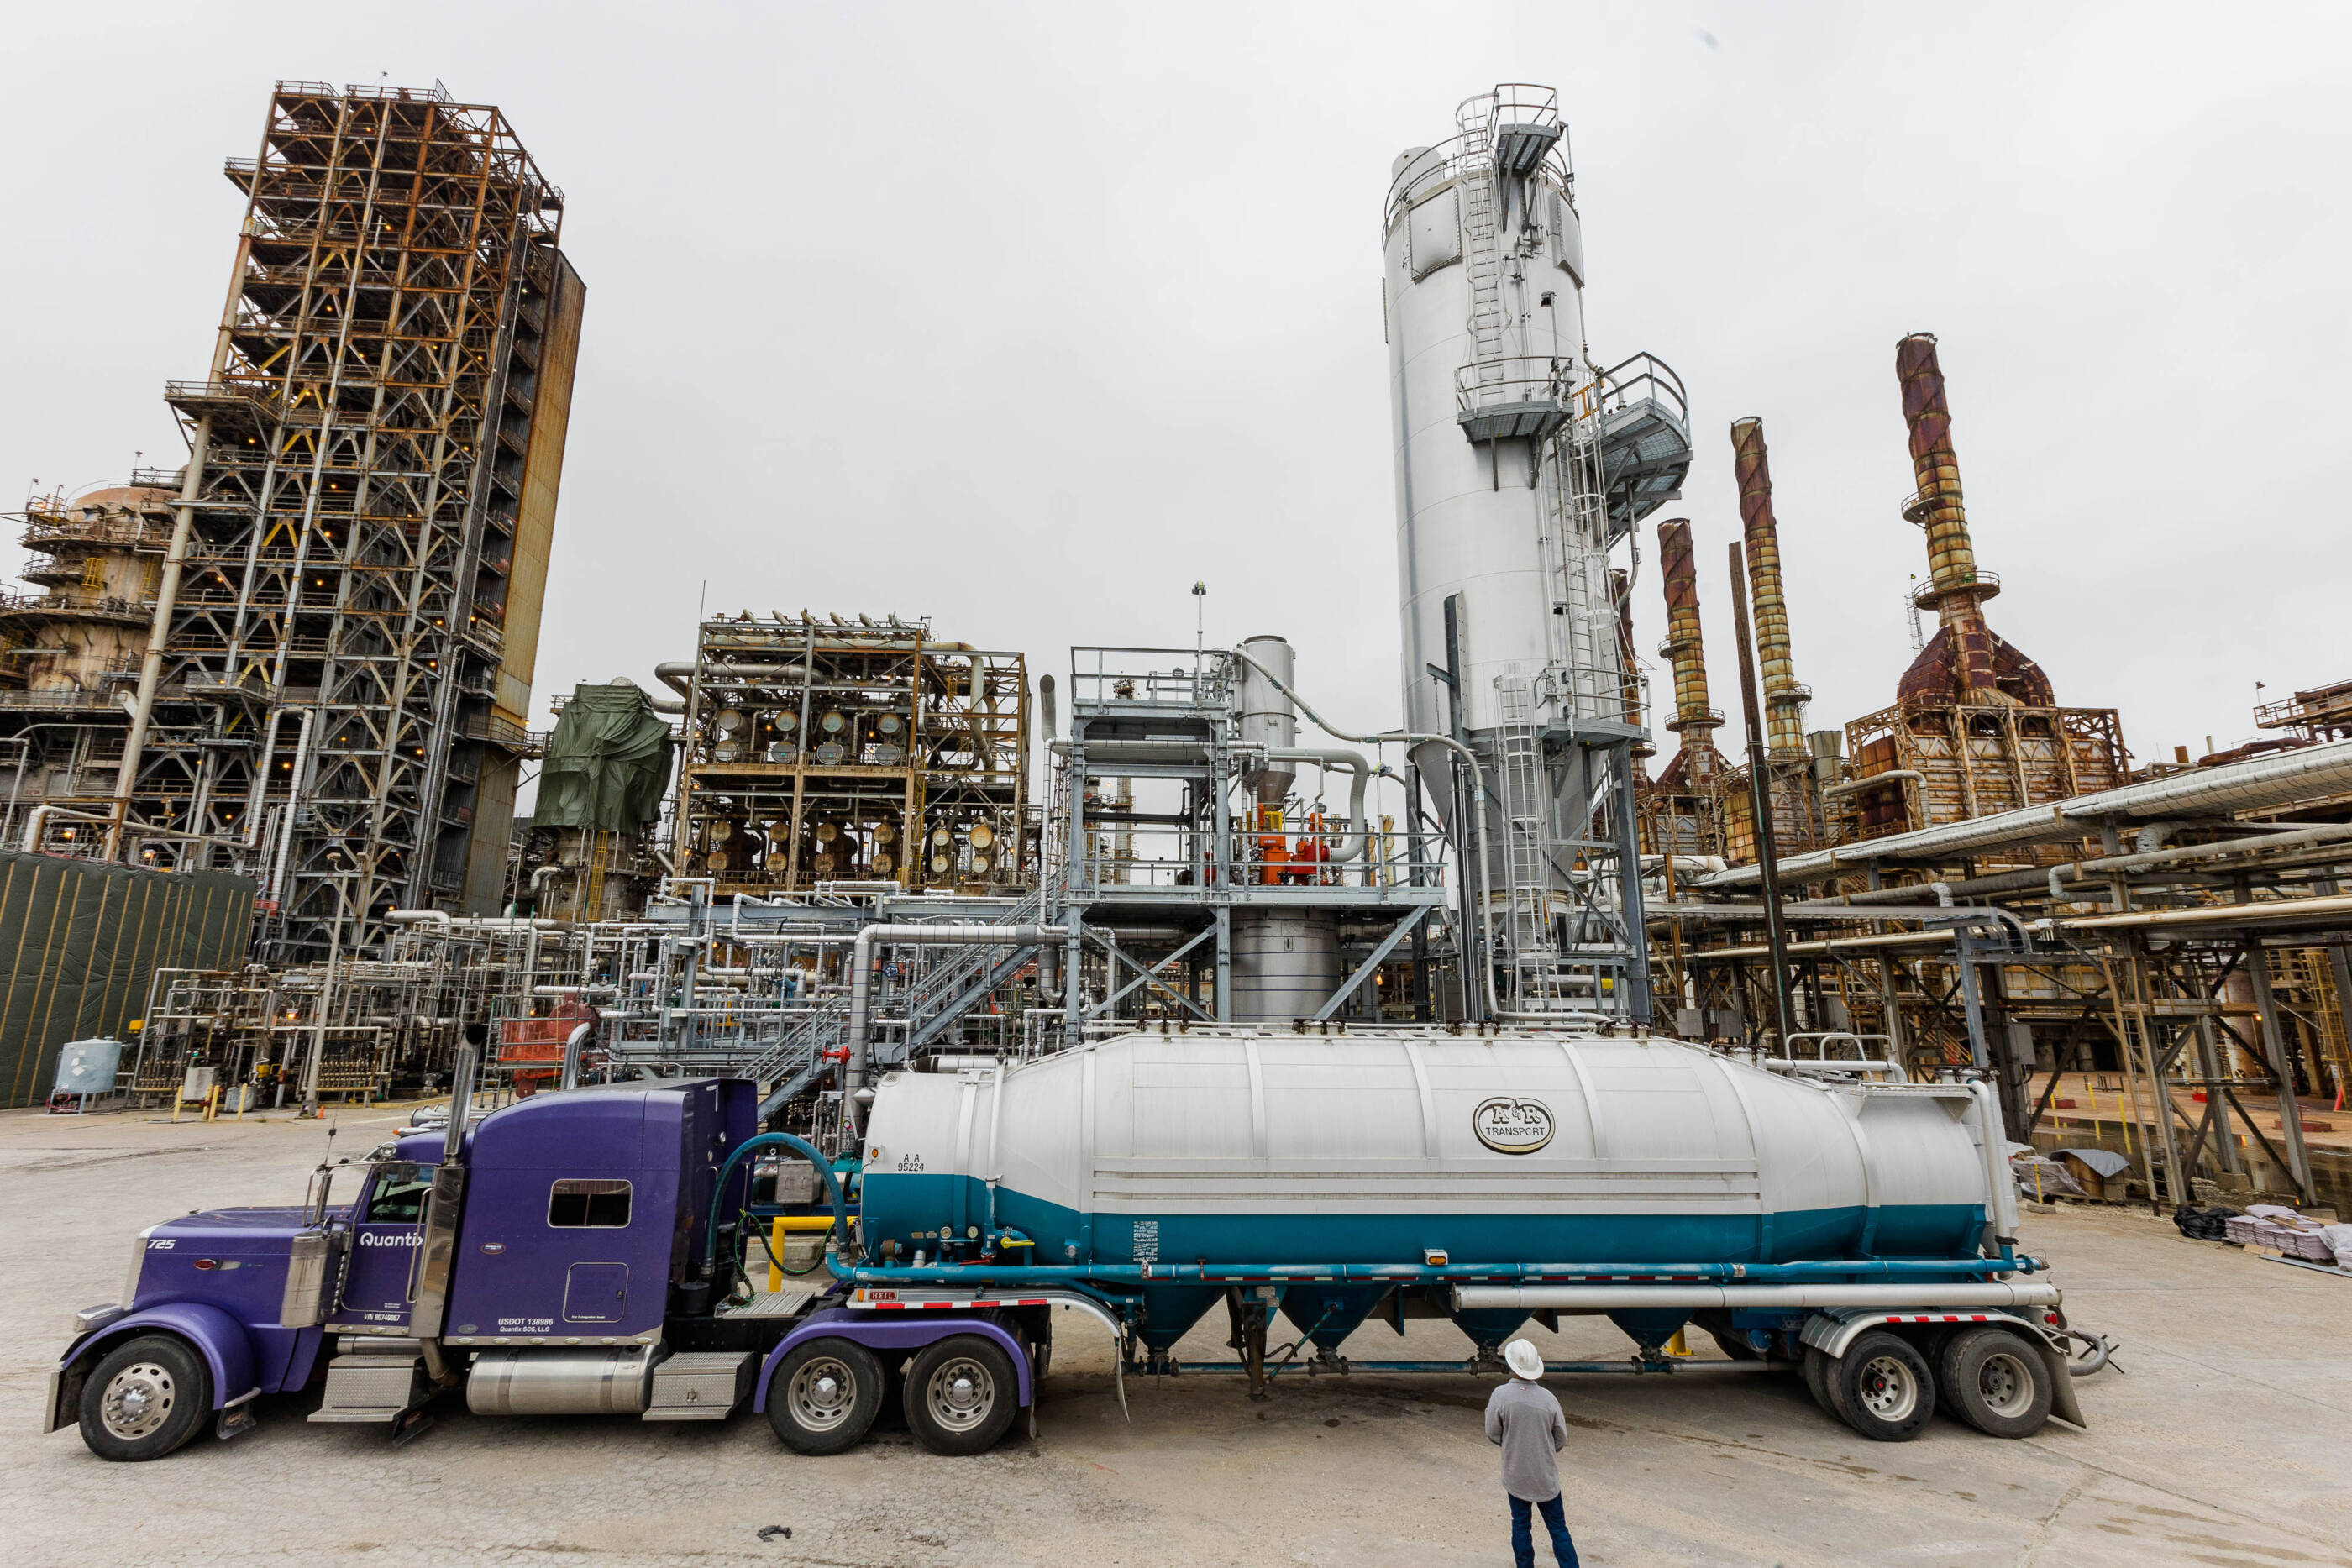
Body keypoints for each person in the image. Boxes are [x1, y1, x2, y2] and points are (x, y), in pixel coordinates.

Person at [1484, 1338, 1580, 1568]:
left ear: (1511, 1365)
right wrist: (1543, 1450)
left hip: (1516, 1475)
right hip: (1545, 1477)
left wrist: (1513, 1446)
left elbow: (1492, 1432)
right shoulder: (1548, 1398)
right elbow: (1561, 1438)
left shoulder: (1500, 1395)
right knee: (1558, 1529)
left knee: (1520, 1525)